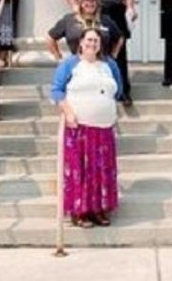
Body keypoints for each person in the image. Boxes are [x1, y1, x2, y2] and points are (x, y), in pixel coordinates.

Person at [51, 28, 123, 229]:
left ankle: (99, 209)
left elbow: (119, 89)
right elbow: (56, 90)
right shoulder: (70, 64)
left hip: (104, 128)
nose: (93, 44)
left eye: (96, 40)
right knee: (80, 170)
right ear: (81, 43)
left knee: (101, 170)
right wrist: (68, 112)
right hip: (79, 127)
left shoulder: (109, 65)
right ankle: (80, 211)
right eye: (89, 40)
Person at [64, 0, 137, 106]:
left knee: (119, 52)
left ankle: (123, 92)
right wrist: (74, 6)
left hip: (113, 12)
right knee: (88, 49)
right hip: (87, 13)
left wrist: (131, 7)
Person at [47, 0, 121, 59]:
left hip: (102, 63)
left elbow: (120, 37)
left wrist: (114, 54)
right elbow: (51, 37)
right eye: (87, 0)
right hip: (77, 64)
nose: (90, 3)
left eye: (93, 0)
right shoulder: (69, 20)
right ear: (81, 3)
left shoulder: (106, 20)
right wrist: (57, 56)